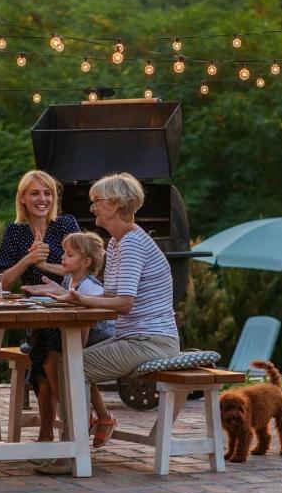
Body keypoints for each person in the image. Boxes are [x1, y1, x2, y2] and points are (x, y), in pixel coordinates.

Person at [24, 172, 179, 474]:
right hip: (134, 338)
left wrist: (79, 300)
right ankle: (75, 445)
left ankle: (74, 453)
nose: (92, 207)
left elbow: (123, 303)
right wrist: (66, 292)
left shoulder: (133, 243)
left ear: (116, 204)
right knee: (65, 362)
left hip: (152, 342)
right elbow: (109, 295)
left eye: (97, 201)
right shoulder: (119, 244)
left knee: (71, 367)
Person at [0, 170, 79, 434]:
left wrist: (45, 264)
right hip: (35, 315)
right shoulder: (15, 232)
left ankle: (66, 426)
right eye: (35, 193)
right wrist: (28, 261)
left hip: (68, 310)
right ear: (22, 199)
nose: (43, 199)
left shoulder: (65, 225)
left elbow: (84, 268)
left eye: (48, 193)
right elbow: (0, 283)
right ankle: (56, 430)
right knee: (42, 353)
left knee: (46, 354)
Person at [36, 231, 116, 447]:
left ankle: (79, 417)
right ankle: (92, 416)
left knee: (61, 361)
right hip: (81, 334)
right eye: (64, 252)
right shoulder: (70, 279)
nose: (62, 257)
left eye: (69, 255)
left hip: (101, 334)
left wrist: (77, 351)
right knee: (46, 351)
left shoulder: (90, 286)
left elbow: (87, 322)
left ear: (86, 262)